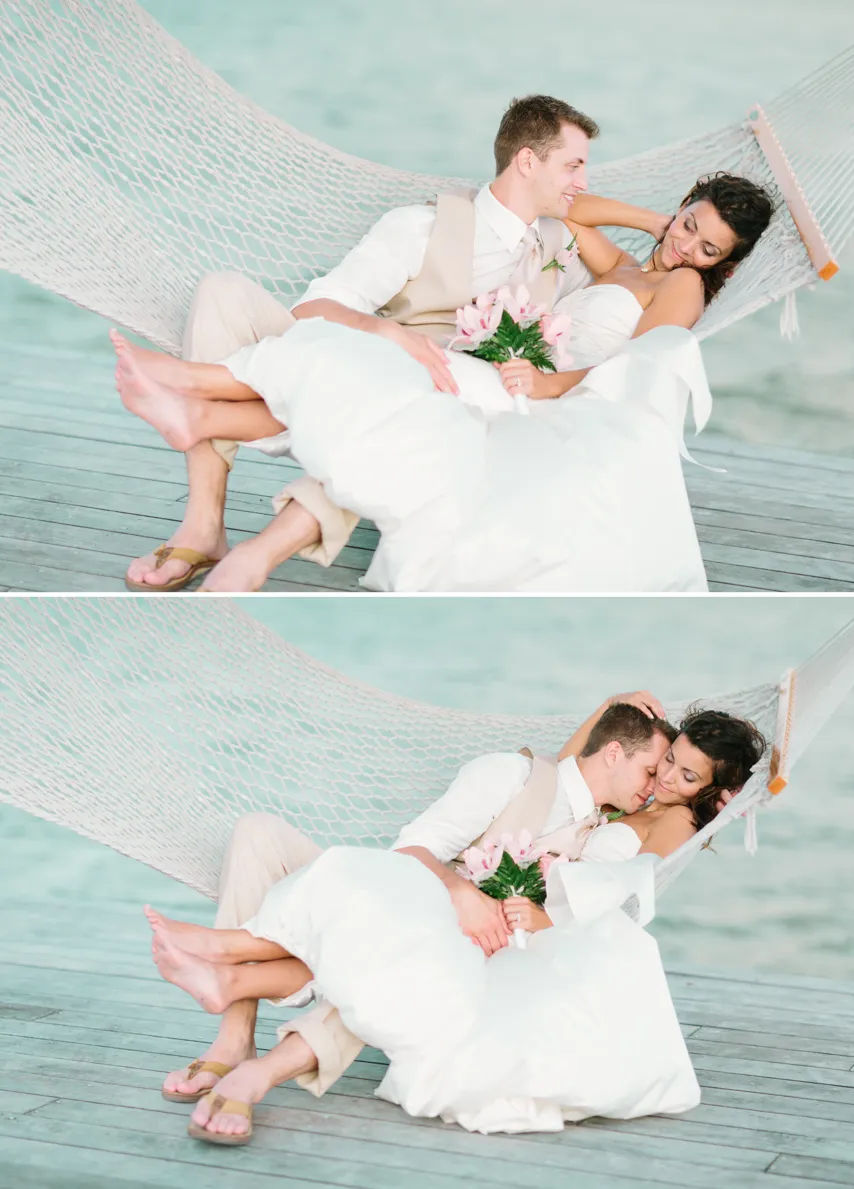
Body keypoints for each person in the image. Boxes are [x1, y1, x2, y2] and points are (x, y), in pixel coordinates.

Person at [113, 172, 773, 593]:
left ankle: (201, 397)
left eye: (708, 248)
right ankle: (203, 421)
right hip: (512, 380)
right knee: (394, 383)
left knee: (407, 380)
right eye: (689, 223)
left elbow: (641, 368)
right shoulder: (629, 265)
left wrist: (550, 386)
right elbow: (568, 212)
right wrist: (654, 220)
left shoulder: (682, 286)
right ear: (682, 205)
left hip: (547, 405)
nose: (687, 248)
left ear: (725, 268)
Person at [147, 699, 765, 1142]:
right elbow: (414, 847)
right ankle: (233, 1032)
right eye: (654, 768)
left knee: (421, 960)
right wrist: (460, 892)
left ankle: (246, 1044)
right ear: (613, 753)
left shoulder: (616, 820)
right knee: (258, 834)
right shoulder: (519, 776)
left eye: (676, 775)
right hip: (400, 891)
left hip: (476, 941)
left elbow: (636, 849)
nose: (658, 783)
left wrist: (724, 806)